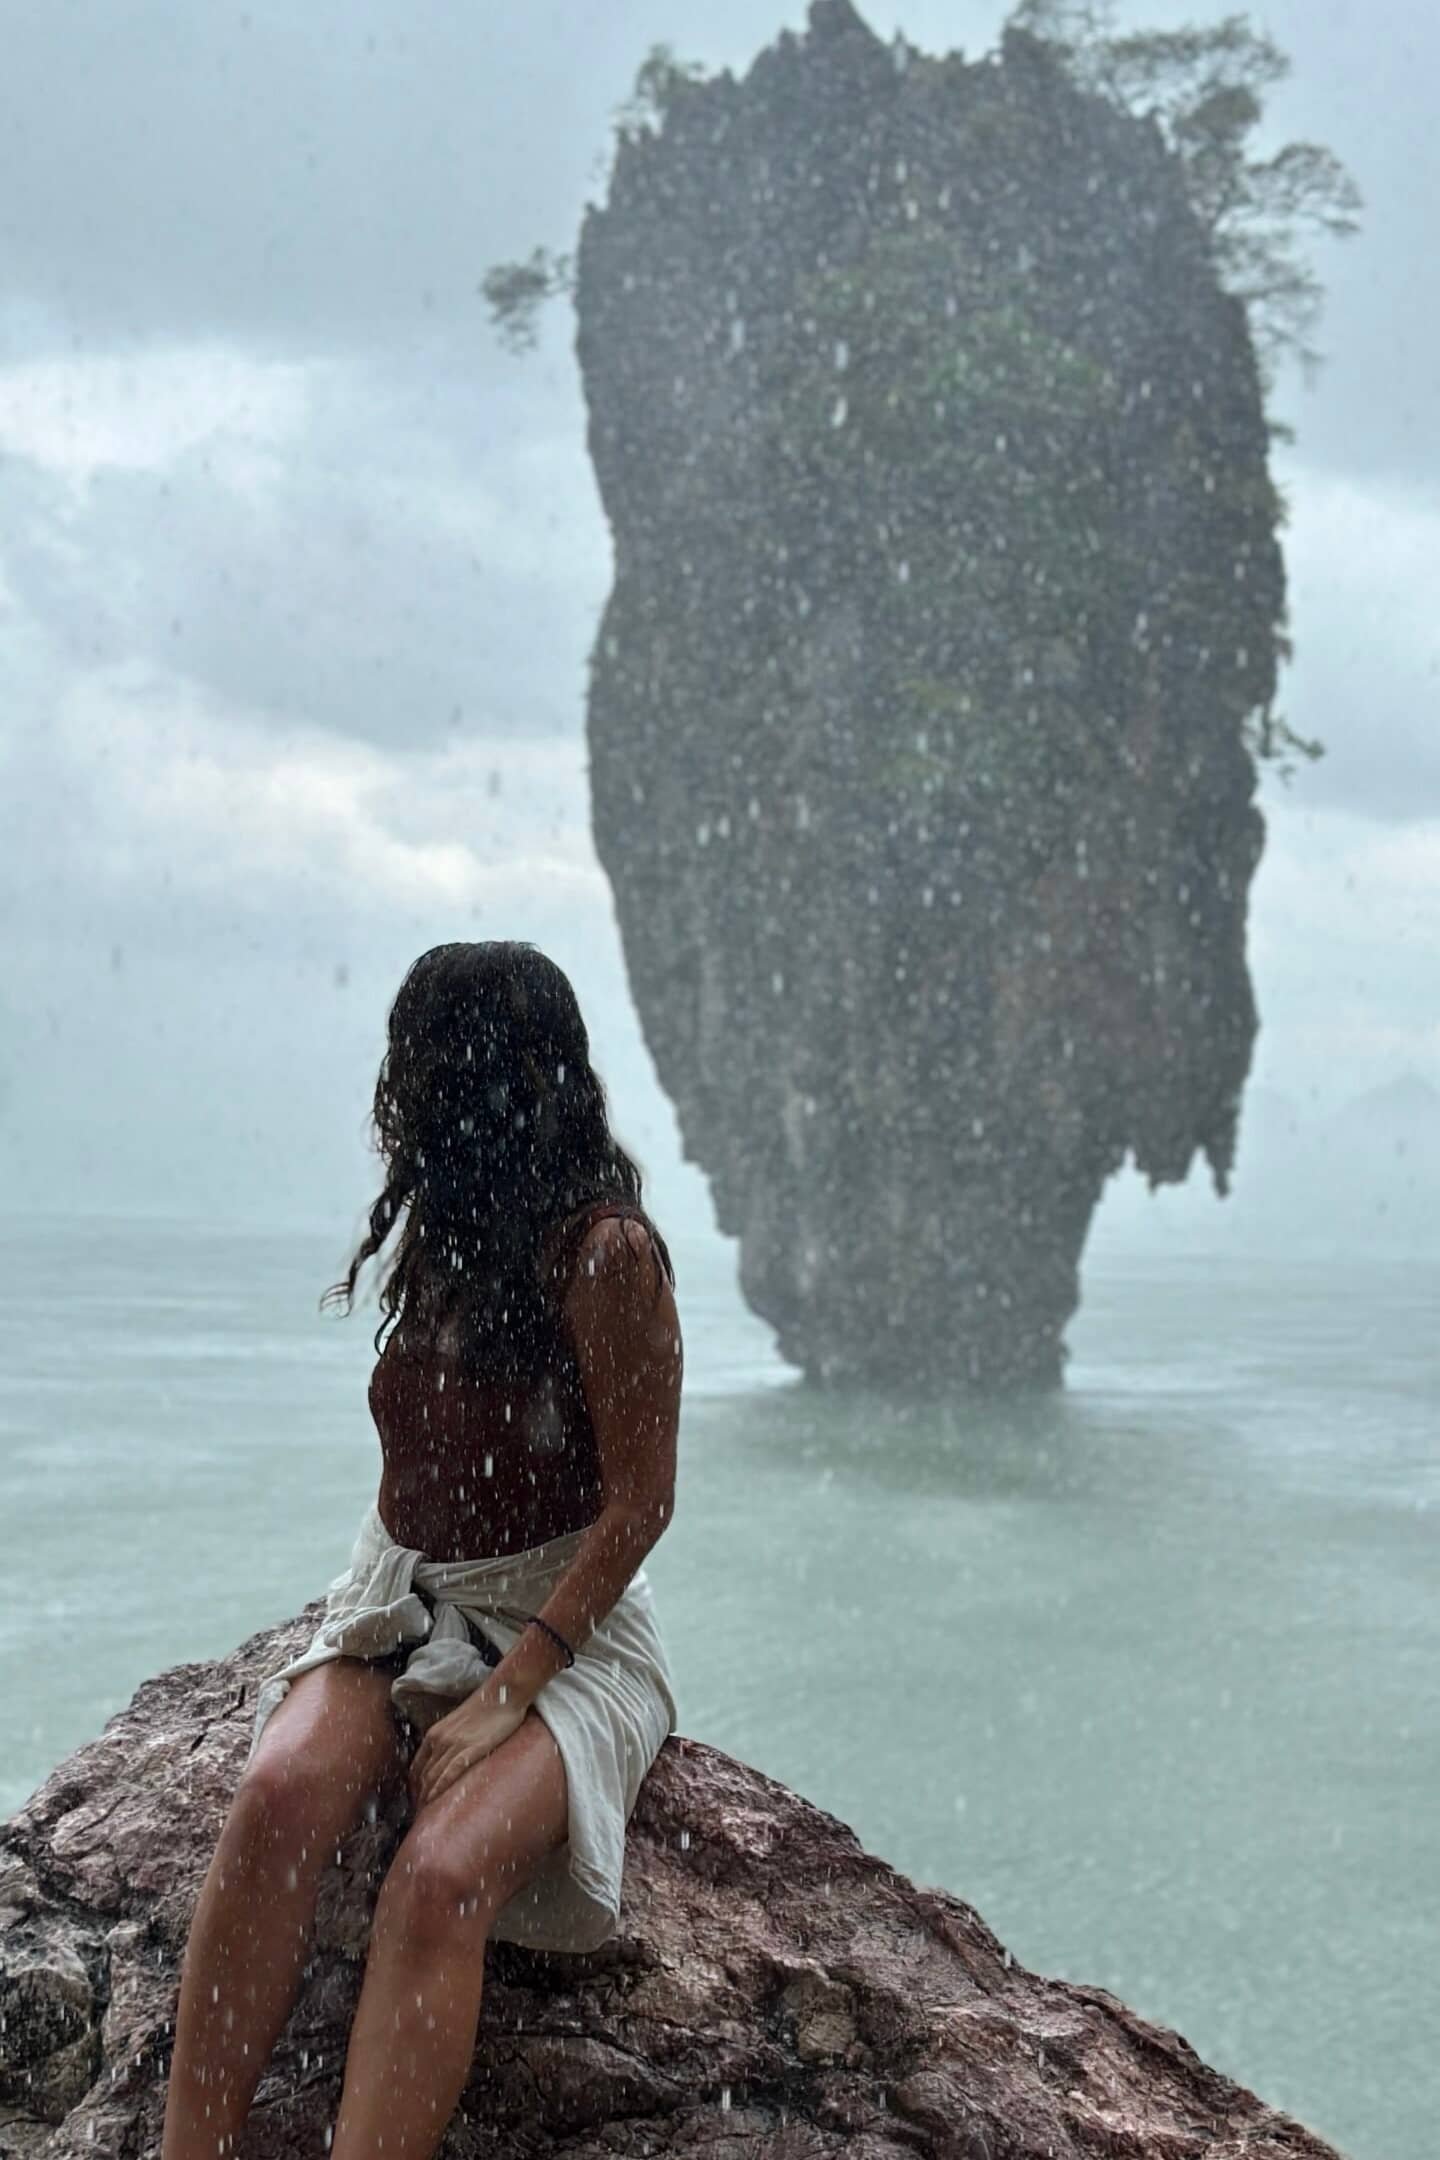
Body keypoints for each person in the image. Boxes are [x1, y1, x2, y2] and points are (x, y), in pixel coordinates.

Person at [159, 941, 683, 2160]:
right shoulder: (453, 1226)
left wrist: (509, 1695)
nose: (412, 1098)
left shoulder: (605, 1253)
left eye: (437, 1071)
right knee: (281, 1794)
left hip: (567, 1623)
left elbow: (641, 1505)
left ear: (517, 1080)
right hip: (400, 1585)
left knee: (439, 1876)